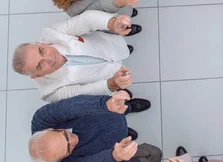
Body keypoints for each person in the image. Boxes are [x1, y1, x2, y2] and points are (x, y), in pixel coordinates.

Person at [11, 10, 147, 105]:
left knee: (119, 48)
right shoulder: (50, 92)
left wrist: (112, 23)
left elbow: (85, 20)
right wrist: (111, 84)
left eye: (42, 50)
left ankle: (124, 46)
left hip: (106, 45)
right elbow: (83, 92)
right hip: (105, 78)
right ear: (37, 76)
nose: (48, 58)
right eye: (40, 65)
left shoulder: (52, 33)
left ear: (40, 43)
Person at [29, 92, 141, 162]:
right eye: (68, 148)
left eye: (65, 135)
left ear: (52, 129)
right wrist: (115, 156)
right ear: (60, 159)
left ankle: (127, 108)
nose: (74, 140)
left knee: (115, 111)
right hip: (100, 145)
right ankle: (123, 132)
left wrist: (105, 105)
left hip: (93, 116)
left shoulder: (41, 119)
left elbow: (71, 107)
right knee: (115, 137)